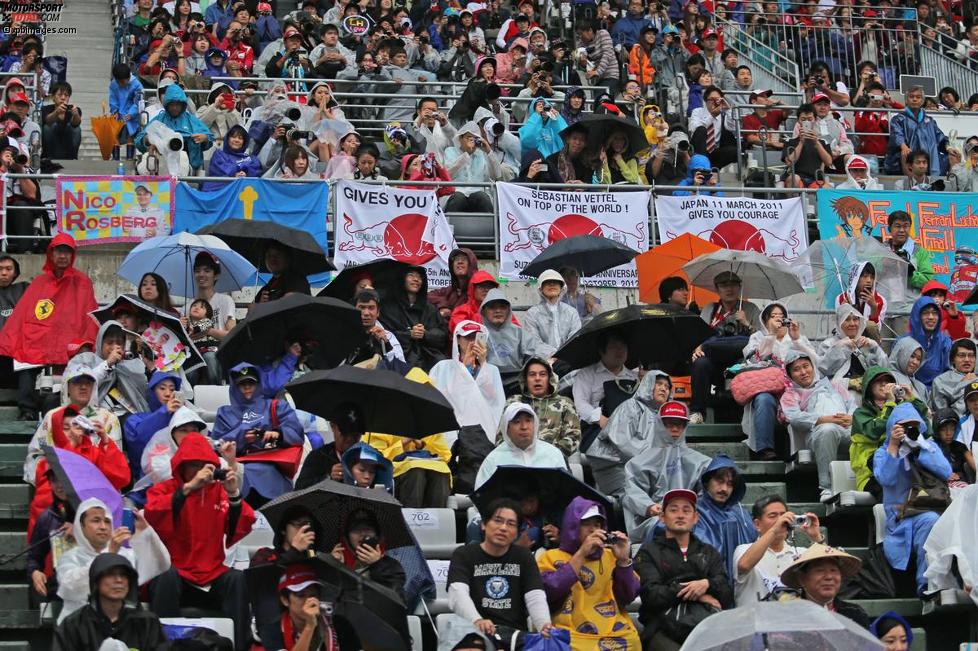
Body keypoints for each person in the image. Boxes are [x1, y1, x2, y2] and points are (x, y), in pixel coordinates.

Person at [145, 433, 256, 651]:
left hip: (212, 572)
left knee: (237, 579)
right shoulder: (166, 488)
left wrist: (233, 494)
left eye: (203, 465)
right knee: (164, 578)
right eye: (192, 465)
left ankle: (241, 646)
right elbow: (153, 515)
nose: (199, 470)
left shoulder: (219, 491)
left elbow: (240, 524)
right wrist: (188, 489)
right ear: (181, 466)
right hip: (177, 572)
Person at [0, 234, 98, 420]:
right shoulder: (39, 283)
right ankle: (27, 410)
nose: (62, 256)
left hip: (69, 342)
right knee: (25, 359)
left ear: (72, 255)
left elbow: (89, 317)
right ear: (51, 254)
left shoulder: (82, 282)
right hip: (40, 340)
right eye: (58, 251)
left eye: (67, 252)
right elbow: (22, 316)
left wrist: (85, 343)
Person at [635, 489, 733, 651]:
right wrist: (697, 593)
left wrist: (706, 584)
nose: (680, 515)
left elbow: (726, 593)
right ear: (662, 517)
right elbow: (652, 595)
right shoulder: (648, 552)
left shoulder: (709, 552)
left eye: (686, 510)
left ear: (696, 518)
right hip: (662, 628)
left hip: (704, 626)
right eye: (673, 510)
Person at [537, 497, 641, 648]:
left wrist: (624, 561)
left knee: (633, 641)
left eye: (597, 524)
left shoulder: (611, 555)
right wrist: (581, 554)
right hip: (571, 633)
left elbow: (628, 596)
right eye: (586, 524)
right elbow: (549, 591)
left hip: (613, 632)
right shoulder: (551, 556)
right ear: (572, 527)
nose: (593, 529)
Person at [447, 497, 553, 639]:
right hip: (473, 633)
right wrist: (477, 620)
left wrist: (544, 625)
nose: (503, 528)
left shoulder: (523, 556)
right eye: (498, 520)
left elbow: (535, 596)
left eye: (511, 524)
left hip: (514, 636)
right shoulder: (464, 554)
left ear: (516, 532)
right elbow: (457, 593)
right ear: (484, 524)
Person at [874, 402, 951, 595]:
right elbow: (886, 478)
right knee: (931, 521)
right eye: (904, 427)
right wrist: (893, 445)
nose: (909, 431)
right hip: (902, 518)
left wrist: (920, 449)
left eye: (913, 427)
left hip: (933, 506)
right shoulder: (883, 452)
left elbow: (946, 471)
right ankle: (926, 583)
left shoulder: (927, 446)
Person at [55, 498, 170, 623]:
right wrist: (109, 554)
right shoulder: (69, 557)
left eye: (107, 521)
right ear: (81, 526)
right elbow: (70, 588)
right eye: (96, 521)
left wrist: (145, 532)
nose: (103, 527)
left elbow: (161, 563)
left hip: (120, 626)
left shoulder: (125, 555)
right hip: (79, 627)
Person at [213, 363, 303, 505]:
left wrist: (277, 434)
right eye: (242, 384)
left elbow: (297, 432)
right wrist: (242, 435)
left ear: (258, 384)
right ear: (234, 386)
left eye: (251, 383)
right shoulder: (224, 413)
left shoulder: (276, 406)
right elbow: (216, 444)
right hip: (237, 470)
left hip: (273, 468)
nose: (247, 387)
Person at [24, 365, 124, 493]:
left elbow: (115, 460)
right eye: (77, 382)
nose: (83, 387)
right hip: (59, 486)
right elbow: (36, 454)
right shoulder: (52, 416)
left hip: (96, 488)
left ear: (93, 388)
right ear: (67, 387)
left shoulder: (108, 418)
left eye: (88, 383)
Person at [622, 401, 711, 543]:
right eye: (669, 423)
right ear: (659, 424)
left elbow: (706, 493)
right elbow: (632, 492)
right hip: (656, 519)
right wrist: (649, 506)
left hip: (691, 518)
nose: (675, 428)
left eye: (680, 424)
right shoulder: (638, 463)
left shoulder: (701, 462)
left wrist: (691, 512)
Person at [741, 303, 817, 459]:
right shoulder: (757, 337)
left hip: (797, 389)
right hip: (770, 389)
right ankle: (765, 449)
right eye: (774, 317)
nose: (779, 321)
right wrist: (771, 335)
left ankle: (805, 451)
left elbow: (816, 362)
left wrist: (797, 341)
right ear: (765, 320)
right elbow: (755, 360)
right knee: (763, 399)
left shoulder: (797, 337)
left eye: (782, 317)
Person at [781, 351, 855, 503]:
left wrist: (852, 418)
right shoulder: (790, 395)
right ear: (790, 375)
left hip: (847, 430)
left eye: (806, 366)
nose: (803, 372)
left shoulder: (835, 386)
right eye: (796, 369)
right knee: (827, 430)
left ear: (813, 367)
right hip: (818, 434)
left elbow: (853, 406)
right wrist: (823, 419)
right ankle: (827, 487)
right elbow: (794, 417)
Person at [53, 553, 167, 651]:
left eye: (123, 575)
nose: (118, 580)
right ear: (96, 581)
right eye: (110, 574)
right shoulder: (73, 625)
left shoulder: (147, 623)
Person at [689, 271, 762, 423]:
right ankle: (697, 412)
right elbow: (699, 335)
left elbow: (761, 339)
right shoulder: (710, 309)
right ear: (717, 289)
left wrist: (746, 323)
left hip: (740, 360)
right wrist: (697, 348)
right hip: (714, 360)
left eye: (733, 285)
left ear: (740, 287)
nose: (729, 289)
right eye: (724, 285)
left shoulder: (751, 309)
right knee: (700, 363)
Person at [851, 366, 931, 502]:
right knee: (895, 494)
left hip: (904, 469)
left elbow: (926, 430)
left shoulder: (898, 408)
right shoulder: (860, 414)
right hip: (873, 474)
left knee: (931, 493)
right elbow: (874, 431)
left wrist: (912, 399)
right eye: (879, 381)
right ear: (868, 387)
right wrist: (890, 403)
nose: (884, 384)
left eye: (888, 380)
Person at [590, 370, 674, 499]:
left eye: (667, 387)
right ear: (647, 384)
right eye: (658, 384)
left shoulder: (665, 419)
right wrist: (654, 457)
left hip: (648, 471)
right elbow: (622, 441)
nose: (663, 389)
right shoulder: (631, 406)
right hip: (619, 468)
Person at [733, 495, 824, 605]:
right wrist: (775, 529)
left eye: (783, 515)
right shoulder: (743, 549)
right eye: (773, 516)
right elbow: (744, 565)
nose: (781, 520)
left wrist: (817, 537)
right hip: (754, 620)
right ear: (757, 524)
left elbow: (828, 572)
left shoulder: (801, 553)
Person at [475, 402, 566, 488]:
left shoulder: (553, 454)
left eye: (528, 420)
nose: (524, 427)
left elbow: (566, 492)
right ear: (507, 428)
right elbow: (483, 499)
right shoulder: (493, 460)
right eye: (517, 422)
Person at [573, 331, 638, 450]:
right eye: (614, 346)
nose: (620, 350)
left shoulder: (634, 377)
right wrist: (600, 419)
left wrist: (648, 381)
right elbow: (580, 404)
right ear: (601, 350)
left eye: (623, 346)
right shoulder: (586, 374)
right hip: (598, 428)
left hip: (630, 430)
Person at [778, 543, 870, 627]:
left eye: (833, 570)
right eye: (820, 571)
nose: (829, 577)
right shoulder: (789, 616)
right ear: (802, 578)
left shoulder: (854, 614)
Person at [505, 357, 580, 458]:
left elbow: (573, 436)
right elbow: (502, 436)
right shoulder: (514, 402)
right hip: (518, 461)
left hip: (554, 462)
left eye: (542, 374)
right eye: (532, 374)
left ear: (550, 378)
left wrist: (546, 455)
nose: (537, 378)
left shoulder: (565, 403)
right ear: (525, 379)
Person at [380, 265, 447, 372]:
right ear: (402, 279)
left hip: (428, 354)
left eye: (419, 277)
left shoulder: (429, 308)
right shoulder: (389, 308)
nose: (416, 279)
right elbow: (385, 333)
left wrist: (425, 334)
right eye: (411, 275)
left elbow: (441, 335)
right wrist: (409, 334)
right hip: (402, 355)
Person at [330, 508, 406, 600]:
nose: (363, 533)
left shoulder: (391, 566)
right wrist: (332, 566)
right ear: (347, 537)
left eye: (368, 529)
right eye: (356, 530)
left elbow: (398, 599)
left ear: (377, 535)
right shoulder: (338, 561)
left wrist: (378, 565)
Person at [135, 84, 213, 173]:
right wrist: (149, 139)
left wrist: (204, 138)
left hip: (188, 166)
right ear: (166, 104)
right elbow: (139, 140)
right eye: (172, 104)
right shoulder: (159, 119)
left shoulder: (192, 120)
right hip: (161, 164)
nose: (175, 108)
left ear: (183, 104)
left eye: (178, 104)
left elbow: (209, 137)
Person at [295, 403, 364, 489]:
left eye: (355, 434)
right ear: (333, 426)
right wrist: (328, 479)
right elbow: (299, 488)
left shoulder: (369, 458)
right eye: (345, 433)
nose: (350, 439)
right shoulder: (318, 456)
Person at [884, 85, 948, 177]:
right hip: (909, 158)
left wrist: (948, 146)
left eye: (918, 97)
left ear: (922, 101)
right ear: (906, 100)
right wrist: (903, 146)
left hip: (927, 160)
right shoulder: (898, 119)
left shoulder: (929, 121)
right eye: (911, 97)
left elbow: (939, 137)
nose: (914, 99)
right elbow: (897, 134)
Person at [818, 303, 887, 384]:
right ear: (839, 323)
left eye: (855, 319)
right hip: (839, 392)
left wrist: (875, 347)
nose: (852, 324)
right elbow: (823, 371)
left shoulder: (865, 343)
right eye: (847, 320)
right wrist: (839, 348)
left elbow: (884, 370)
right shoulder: (828, 344)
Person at [521, 269, 582, 361]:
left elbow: (575, 338)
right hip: (542, 362)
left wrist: (564, 356)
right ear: (541, 288)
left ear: (562, 287)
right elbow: (533, 342)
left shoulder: (571, 312)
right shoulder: (532, 314)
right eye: (548, 282)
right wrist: (553, 355)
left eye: (556, 282)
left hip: (568, 361)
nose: (552, 285)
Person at [182, 251, 237, 344]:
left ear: (216, 275)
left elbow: (233, 335)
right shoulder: (186, 307)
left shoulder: (225, 300)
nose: (201, 274)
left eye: (207, 271)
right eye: (197, 271)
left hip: (217, 352)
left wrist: (208, 331)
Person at [346, 289, 406, 366]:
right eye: (361, 307)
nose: (366, 313)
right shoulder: (345, 334)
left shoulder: (388, 337)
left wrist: (386, 346)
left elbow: (400, 367)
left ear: (378, 312)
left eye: (371, 308)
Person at [904, 296, 952, 387]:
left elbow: (950, 373)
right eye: (925, 313)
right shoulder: (903, 342)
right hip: (908, 391)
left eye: (934, 313)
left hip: (938, 392)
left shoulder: (945, 342)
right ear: (917, 316)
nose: (931, 317)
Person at [688, 86, 738, 169]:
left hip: (715, 151)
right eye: (712, 99)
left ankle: (715, 170)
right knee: (701, 129)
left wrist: (728, 109)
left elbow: (732, 128)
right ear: (706, 101)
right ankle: (701, 167)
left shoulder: (723, 114)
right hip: (699, 150)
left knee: (733, 150)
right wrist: (712, 116)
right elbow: (694, 129)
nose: (715, 102)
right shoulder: (697, 111)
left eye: (718, 99)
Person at [886, 210, 935, 291]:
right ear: (889, 228)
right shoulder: (882, 249)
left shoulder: (919, 251)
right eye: (897, 226)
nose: (902, 230)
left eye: (906, 226)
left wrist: (910, 274)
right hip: (884, 301)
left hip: (912, 303)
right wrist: (883, 264)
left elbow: (928, 281)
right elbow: (871, 274)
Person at [203, 124, 262, 190]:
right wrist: (234, 175)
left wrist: (246, 174)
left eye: (240, 138)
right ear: (227, 139)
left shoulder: (251, 159)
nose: (237, 140)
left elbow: (256, 171)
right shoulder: (219, 155)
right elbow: (218, 171)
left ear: (244, 142)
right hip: (223, 187)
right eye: (233, 137)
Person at [480, 289, 525, 373]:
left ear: (508, 310)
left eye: (502, 307)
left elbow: (534, 355)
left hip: (517, 380)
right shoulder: (480, 334)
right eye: (492, 307)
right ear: (484, 311)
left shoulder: (519, 332)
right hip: (488, 379)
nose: (498, 311)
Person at [427, 247, 479, 320]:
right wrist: (443, 305)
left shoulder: (478, 288)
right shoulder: (450, 289)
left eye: (464, 259)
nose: (459, 262)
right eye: (456, 259)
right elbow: (428, 296)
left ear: (471, 264)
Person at [931, 338, 978, 416]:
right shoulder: (940, 381)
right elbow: (943, 416)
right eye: (962, 355)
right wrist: (964, 385)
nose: (967, 360)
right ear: (953, 359)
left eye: (971, 356)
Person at [575, 20, 619, 96]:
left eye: (581, 34)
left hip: (610, 74)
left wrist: (598, 72)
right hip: (594, 79)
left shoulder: (603, 34)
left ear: (590, 31)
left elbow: (607, 54)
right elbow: (583, 68)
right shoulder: (581, 44)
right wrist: (583, 65)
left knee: (602, 98)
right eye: (578, 35)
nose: (580, 37)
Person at [933, 407, 975, 485]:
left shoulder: (961, 446)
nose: (948, 433)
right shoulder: (933, 448)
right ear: (937, 430)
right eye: (943, 429)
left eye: (952, 429)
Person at [41, 81, 82, 160]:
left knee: (77, 129)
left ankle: (73, 158)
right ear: (53, 97)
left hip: (68, 148)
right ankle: (48, 157)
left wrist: (76, 114)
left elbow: (76, 124)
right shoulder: (45, 109)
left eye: (66, 95)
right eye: (60, 95)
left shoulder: (73, 109)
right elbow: (47, 121)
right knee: (47, 127)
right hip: (51, 149)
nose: (63, 98)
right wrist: (56, 112)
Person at [888, 337, 930, 405]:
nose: (915, 362)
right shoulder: (888, 377)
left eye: (919, 359)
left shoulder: (921, 387)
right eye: (912, 356)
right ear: (900, 353)